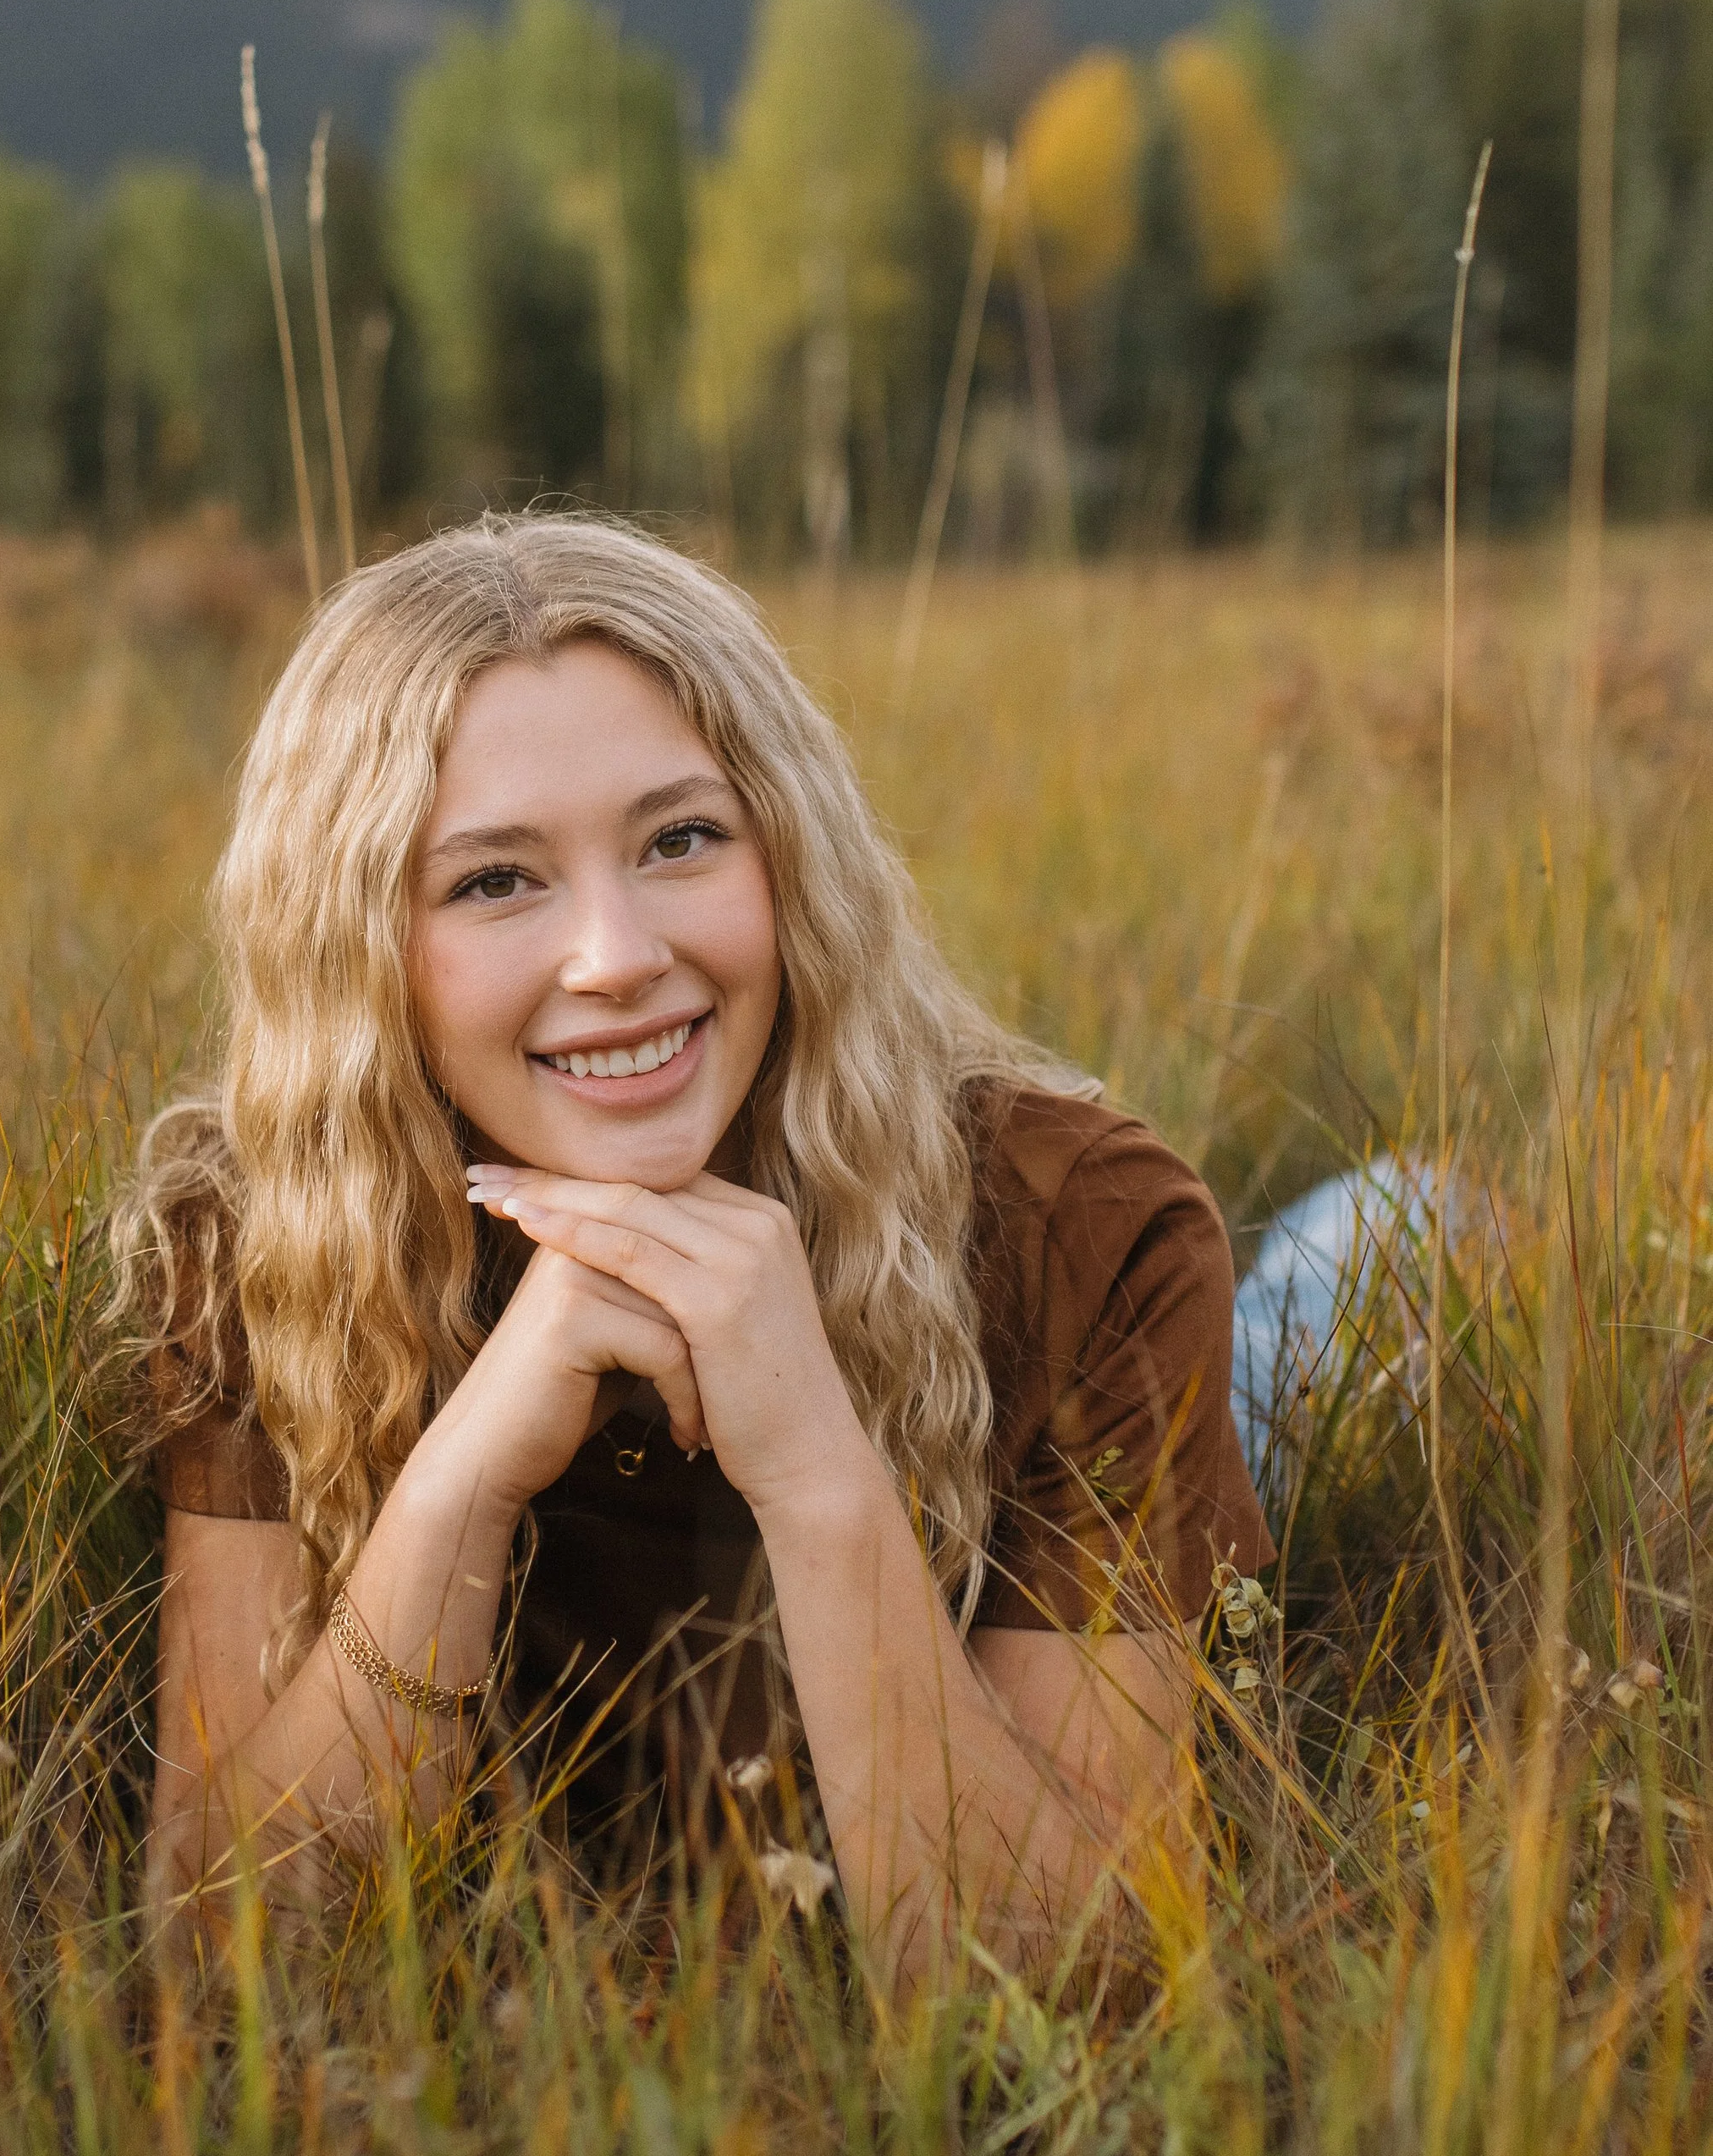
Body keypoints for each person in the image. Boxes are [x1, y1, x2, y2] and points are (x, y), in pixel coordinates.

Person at [113, 513, 1272, 1985]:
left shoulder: (1089, 1230)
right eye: (493, 881)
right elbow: (221, 1954)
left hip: (1196, 1373)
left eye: (682, 841)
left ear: (787, 856)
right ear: (360, 949)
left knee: (1367, 1262)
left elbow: (1097, 1973)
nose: (615, 957)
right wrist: (466, 1479)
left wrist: (814, 1460)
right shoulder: (267, 1233)